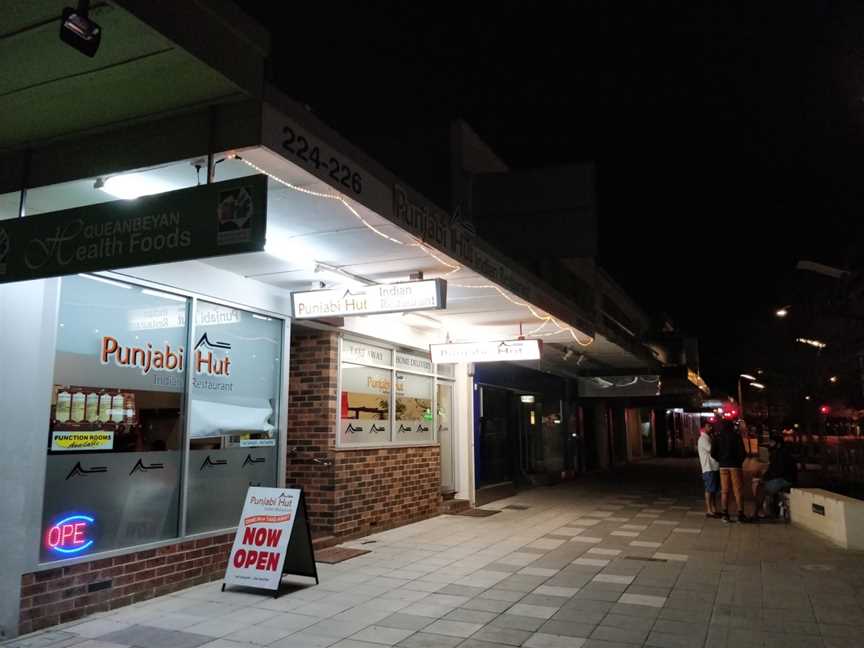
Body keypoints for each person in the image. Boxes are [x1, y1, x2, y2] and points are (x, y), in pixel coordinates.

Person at [712, 419, 751, 523]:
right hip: (735, 466)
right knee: (737, 490)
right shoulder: (736, 437)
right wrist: (739, 462)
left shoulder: (718, 436)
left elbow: (713, 452)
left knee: (724, 490)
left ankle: (725, 514)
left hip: (723, 466)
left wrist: (720, 459)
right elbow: (743, 452)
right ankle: (740, 514)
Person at [753, 434, 797, 518]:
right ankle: (760, 510)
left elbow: (779, 471)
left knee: (761, 488)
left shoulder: (782, 454)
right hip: (781, 478)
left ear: (778, 444)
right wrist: (763, 477)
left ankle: (758, 511)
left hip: (786, 479)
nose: (770, 444)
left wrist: (765, 479)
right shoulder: (777, 453)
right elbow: (772, 469)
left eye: (772, 442)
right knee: (759, 484)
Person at [698, 422, 721, 517]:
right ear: (704, 428)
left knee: (713, 490)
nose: (711, 428)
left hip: (713, 467)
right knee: (709, 489)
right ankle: (709, 510)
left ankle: (714, 509)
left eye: (711, 426)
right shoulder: (703, 439)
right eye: (709, 426)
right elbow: (712, 450)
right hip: (708, 467)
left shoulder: (708, 437)